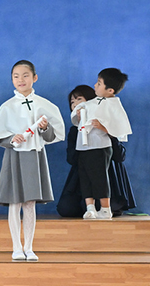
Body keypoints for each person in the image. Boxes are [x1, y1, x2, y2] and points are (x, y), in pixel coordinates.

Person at [0, 60, 64, 261]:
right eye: (16, 76)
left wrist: (45, 128)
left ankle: (29, 247)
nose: (20, 79)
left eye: (25, 75)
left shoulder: (45, 105)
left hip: (35, 155)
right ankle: (16, 247)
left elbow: (52, 136)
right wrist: (13, 138)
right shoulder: (7, 106)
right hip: (15, 156)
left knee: (29, 203)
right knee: (15, 202)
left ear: (34, 78)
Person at [57, 85, 137, 217]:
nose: (75, 105)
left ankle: (104, 209)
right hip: (83, 172)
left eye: (79, 99)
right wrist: (81, 132)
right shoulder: (74, 130)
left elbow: (119, 156)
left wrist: (107, 132)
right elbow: (71, 159)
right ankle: (90, 208)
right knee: (67, 208)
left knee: (107, 201)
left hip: (105, 173)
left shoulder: (105, 123)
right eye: (72, 102)